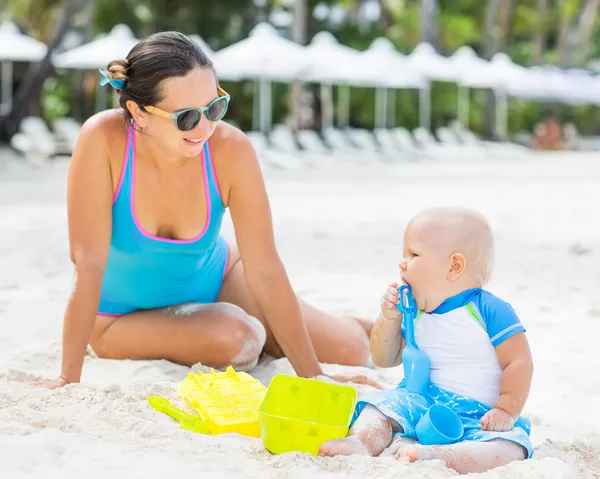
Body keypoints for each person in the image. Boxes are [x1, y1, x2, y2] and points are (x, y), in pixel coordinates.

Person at [34, 31, 372, 390]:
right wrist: (67, 378)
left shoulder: (230, 149)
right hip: (120, 319)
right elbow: (88, 264)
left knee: (352, 350)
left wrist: (314, 375)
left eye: (214, 108)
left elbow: (265, 269)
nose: (205, 127)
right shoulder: (102, 141)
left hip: (218, 277)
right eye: (186, 118)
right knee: (239, 339)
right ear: (138, 112)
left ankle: (390, 325)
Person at [319, 207, 534, 475]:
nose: (402, 263)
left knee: (511, 448)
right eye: (403, 255)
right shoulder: (414, 312)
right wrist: (389, 319)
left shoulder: (489, 309)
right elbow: (384, 359)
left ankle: (439, 456)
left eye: (413, 254)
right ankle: (360, 442)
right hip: (420, 400)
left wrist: (505, 409)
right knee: (380, 407)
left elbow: (519, 361)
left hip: (478, 414)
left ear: (454, 266)